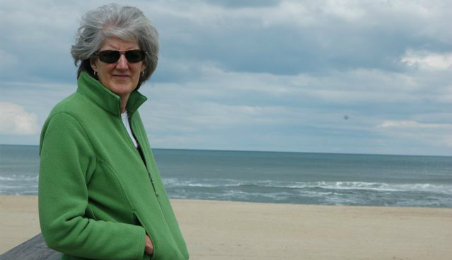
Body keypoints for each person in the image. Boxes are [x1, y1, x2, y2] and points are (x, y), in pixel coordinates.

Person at [38, 4, 189, 260]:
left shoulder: (128, 112)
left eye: (133, 55)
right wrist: (141, 242)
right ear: (93, 62)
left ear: (144, 63)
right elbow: (60, 228)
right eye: (110, 55)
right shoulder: (69, 120)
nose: (122, 64)